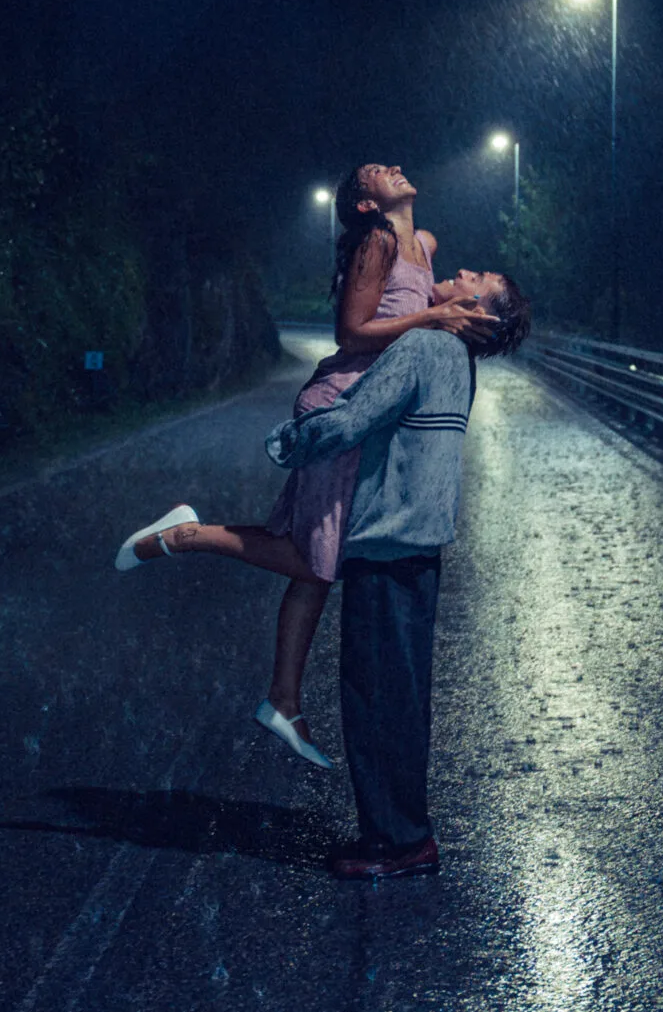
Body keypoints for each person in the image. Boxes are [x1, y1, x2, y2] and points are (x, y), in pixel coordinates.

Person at [111, 162, 500, 770]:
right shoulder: (378, 242)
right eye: (377, 174)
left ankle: (284, 701)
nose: (392, 168)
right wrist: (430, 316)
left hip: (363, 412)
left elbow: (451, 304)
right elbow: (351, 332)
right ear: (367, 205)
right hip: (340, 405)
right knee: (317, 556)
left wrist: (458, 309)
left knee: (316, 566)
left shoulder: (424, 246)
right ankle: (185, 536)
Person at [265, 297, 530, 879]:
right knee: (400, 699)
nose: (456, 276)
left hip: (386, 541)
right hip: (417, 548)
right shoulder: (459, 357)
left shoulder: (425, 345)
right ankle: (401, 833)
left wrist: (288, 440)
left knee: (376, 699)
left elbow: (352, 418)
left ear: (482, 314)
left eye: (474, 280)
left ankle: (397, 842)